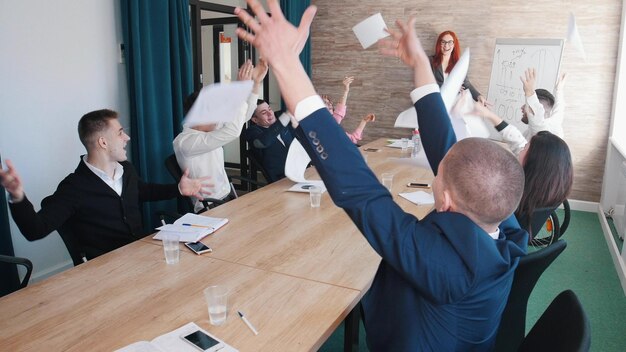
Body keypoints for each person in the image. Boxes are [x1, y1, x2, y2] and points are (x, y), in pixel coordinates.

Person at [234, 2, 528, 351]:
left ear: (445, 200)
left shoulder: (444, 266)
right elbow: (445, 145)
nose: (437, 168)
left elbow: (360, 190)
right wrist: (420, 64)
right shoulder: (503, 224)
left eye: (439, 175)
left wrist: (286, 66)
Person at [0, 109, 211, 263]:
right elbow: (35, 229)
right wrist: (17, 196)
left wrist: (178, 189)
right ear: (103, 142)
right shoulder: (74, 187)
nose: (127, 137)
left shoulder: (125, 169)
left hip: (142, 257)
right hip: (107, 271)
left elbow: (142, 190)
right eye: (120, 132)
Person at [173, 59, 268, 211]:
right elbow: (233, 131)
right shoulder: (185, 142)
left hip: (228, 198)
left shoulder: (209, 127)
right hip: (209, 207)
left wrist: (255, 84)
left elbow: (244, 116)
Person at [474, 101, 574, 238]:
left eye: (526, 147)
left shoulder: (511, 196)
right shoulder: (547, 186)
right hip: (519, 236)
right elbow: (514, 136)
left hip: (494, 237)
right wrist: (489, 115)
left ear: (534, 161)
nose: (521, 149)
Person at [244, 99, 295, 183]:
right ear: (255, 120)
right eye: (264, 113)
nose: (270, 113)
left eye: (270, 109)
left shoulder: (282, 125)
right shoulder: (251, 132)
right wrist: (286, 117)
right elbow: (263, 141)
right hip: (281, 180)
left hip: (302, 171)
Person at [431, 30, 488, 105]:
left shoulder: (458, 64)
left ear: (454, 44)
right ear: (439, 44)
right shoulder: (430, 61)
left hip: (452, 104)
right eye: (443, 42)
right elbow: (428, 85)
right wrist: (453, 88)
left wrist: (478, 96)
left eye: (450, 42)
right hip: (435, 103)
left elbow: (466, 84)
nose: (446, 46)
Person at [321, 76, 375, 144]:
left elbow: (353, 139)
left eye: (329, 102)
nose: (330, 104)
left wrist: (364, 121)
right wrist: (346, 90)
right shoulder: (322, 129)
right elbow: (340, 110)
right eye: (325, 102)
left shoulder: (333, 126)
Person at [520, 68, 566, 139]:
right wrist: (558, 90)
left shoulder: (541, 133)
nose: (522, 108)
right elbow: (559, 108)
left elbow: (537, 121)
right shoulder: (554, 122)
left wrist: (529, 92)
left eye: (528, 107)